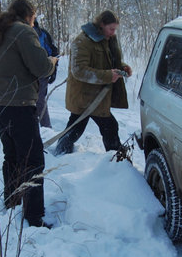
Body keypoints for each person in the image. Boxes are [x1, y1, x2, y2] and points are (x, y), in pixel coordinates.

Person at [0, 0, 58, 229]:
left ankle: (12, 201)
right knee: (34, 160)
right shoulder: (23, 32)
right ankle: (34, 217)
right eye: (34, 16)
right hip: (18, 104)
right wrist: (51, 61)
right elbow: (40, 67)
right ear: (29, 15)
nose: (35, 21)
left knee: (13, 156)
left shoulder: (1, 30)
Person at [54, 10, 132, 155]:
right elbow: (79, 70)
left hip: (97, 97)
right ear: (101, 25)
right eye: (111, 29)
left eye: (115, 29)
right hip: (84, 97)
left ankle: (61, 152)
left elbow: (105, 61)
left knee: (83, 127)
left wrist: (122, 67)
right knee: (82, 127)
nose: (113, 33)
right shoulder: (82, 41)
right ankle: (117, 161)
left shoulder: (105, 39)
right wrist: (108, 76)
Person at [33, 18, 60, 128]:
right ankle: (33, 128)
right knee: (28, 103)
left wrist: (54, 70)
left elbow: (54, 52)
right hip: (26, 74)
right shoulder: (19, 34)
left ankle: (46, 129)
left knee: (39, 101)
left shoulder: (43, 34)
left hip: (42, 73)